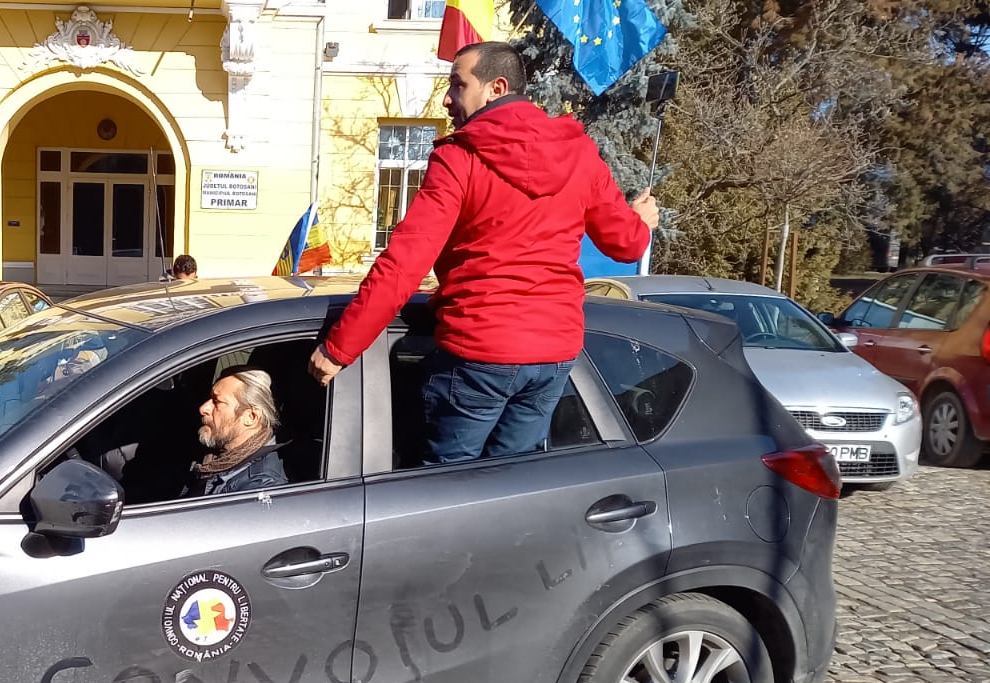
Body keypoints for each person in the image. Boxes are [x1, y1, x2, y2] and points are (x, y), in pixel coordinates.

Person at [306, 41, 660, 464]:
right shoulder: (579, 153)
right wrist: (640, 220)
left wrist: (340, 348)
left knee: (449, 485)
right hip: (554, 353)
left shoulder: (460, 157)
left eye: (458, 85)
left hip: (480, 349)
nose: (447, 98)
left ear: (496, 88)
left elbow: (404, 264)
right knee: (509, 485)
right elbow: (627, 243)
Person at [182, 367, 287, 497]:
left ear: (251, 417)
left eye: (217, 401)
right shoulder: (216, 455)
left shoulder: (258, 490)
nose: (203, 408)